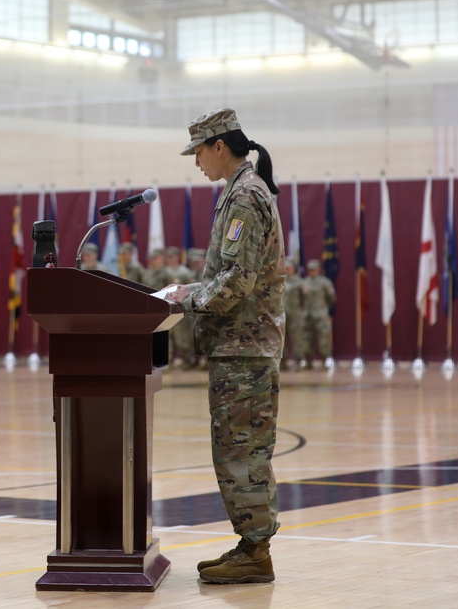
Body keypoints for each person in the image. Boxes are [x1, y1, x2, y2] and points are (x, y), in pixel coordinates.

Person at [165, 108, 284, 584]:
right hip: (240, 346)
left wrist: (186, 298)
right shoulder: (240, 192)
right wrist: (193, 292)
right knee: (239, 449)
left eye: (198, 152)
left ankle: (255, 552)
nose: (196, 163)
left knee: (241, 451)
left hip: (244, 347)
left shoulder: (244, 195)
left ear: (218, 146)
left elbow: (237, 280)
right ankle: (251, 545)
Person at [165, 246, 196, 368]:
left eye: (172, 257)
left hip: (180, 309)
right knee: (169, 337)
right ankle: (169, 360)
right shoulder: (165, 271)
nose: (170, 259)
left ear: (177, 257)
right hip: (167, 310)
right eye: (168, 257)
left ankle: (188, 360)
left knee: (183, 337)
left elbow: (190, 289)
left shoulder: (184, 272)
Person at [303, 258, 335, 368]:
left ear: (319, 269)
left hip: (321, 315)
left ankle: (324, 361)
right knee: (307, 340)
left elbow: (331, 298)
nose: (312, 272)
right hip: (308, 315)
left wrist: (324, 308)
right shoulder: (304, 282)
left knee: (323, 340)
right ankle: (308, 362)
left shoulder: (325, 282)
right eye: (310, 270)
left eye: (314, 269)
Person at [283, 260, 308, 369]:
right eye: (286, 267)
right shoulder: (280, 280)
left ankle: (299, 361)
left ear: (294, 268)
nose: (287, 269)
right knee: (282, 339)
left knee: (297, 338)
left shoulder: (299, 282)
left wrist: (299, 310)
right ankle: (282, 362)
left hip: (295, 314)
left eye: (289, 267)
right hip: (282, 314)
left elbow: (305, 298)